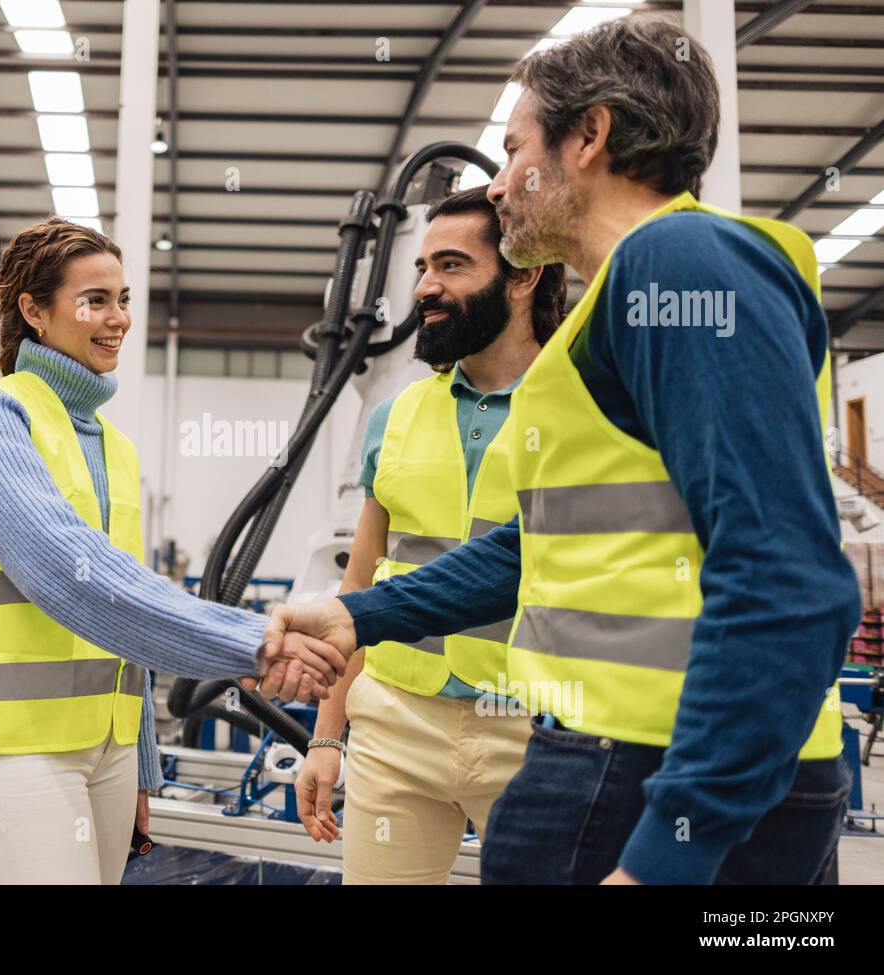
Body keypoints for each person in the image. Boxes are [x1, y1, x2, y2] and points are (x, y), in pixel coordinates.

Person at [265, 15, 858, 885]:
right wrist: (360, 615)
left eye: (512, 151)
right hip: (639, 758)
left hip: (654, 766)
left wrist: (666, 852)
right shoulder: (619, 300)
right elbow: (548, 543)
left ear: (590, 135)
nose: (498, 184)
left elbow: (787, 575)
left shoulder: (678, 266)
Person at [0, 218, 346, 885]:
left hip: (111, 753)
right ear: (33, 311)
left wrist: (143, 768)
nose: (118, 318)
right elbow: (68, 572)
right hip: (17, 748)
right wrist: (252, 640)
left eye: (124, 299)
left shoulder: (117, 449)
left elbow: (128, 618)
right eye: (95, 299)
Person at [294, 187, 566, 884]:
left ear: (524, 273)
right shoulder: (397, 416)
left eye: (451, 266)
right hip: (395, 725)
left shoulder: (581, 408)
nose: (425, 288)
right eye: (422, 268)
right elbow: (359, 587)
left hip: (533, 730)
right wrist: (327, 736)